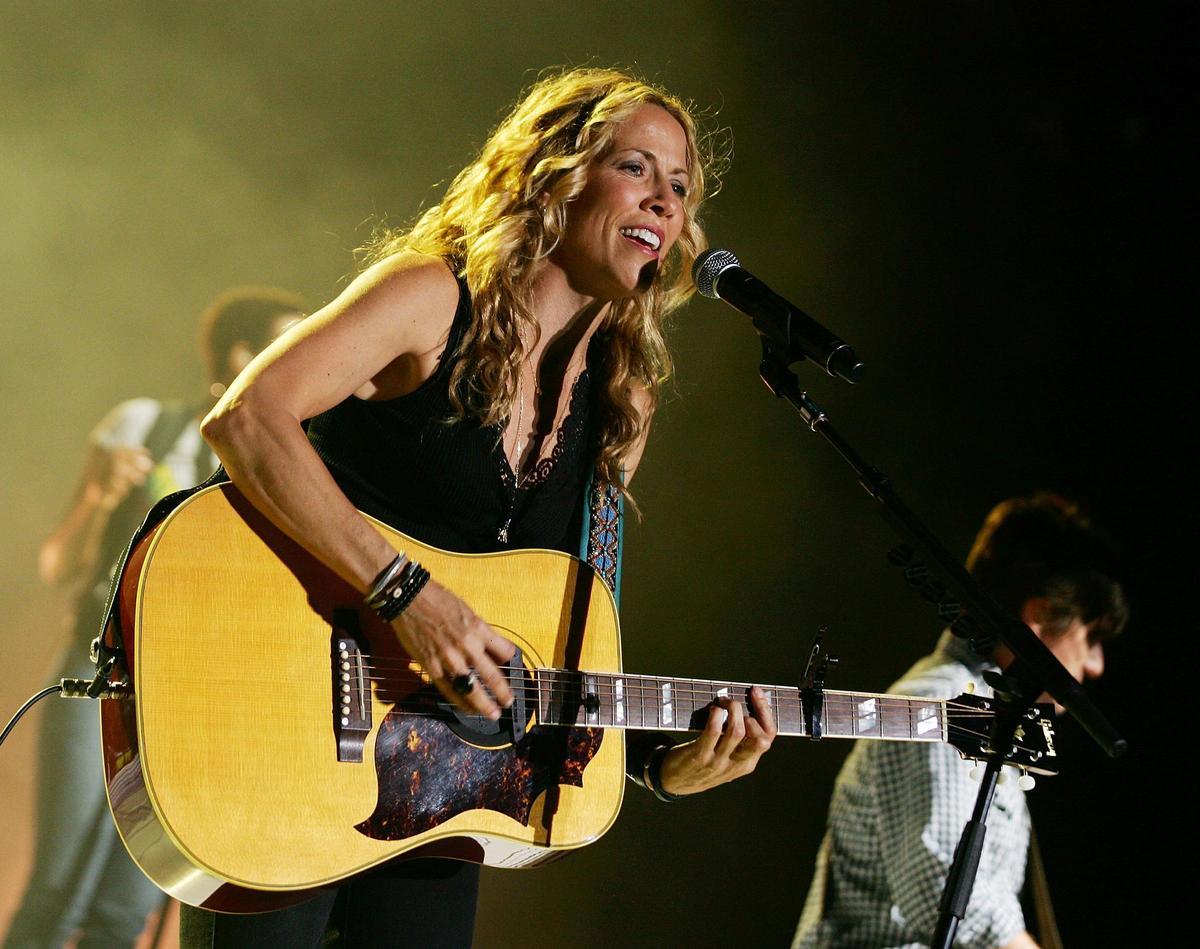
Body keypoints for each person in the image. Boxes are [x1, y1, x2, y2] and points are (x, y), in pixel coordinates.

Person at [190, 67, 777, 947]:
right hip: (287, 725)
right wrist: (406, 597)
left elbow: (569, 640)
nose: (666, 200)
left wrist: (662, 763)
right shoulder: (430, 297)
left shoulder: (624, 401)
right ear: (557, 174)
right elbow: (249, 417)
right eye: (637, 168)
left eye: (682, 185)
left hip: (440, 794)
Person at [4, 287, 307, 949]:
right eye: (288, 343)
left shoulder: (285, 464)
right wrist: (97, 495)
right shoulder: (143, 424)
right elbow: (59, 564)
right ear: (241, 354)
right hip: (103, 671)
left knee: (127, 906)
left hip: (194, 700)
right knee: (57, 888)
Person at [793, 493, 1128, 949]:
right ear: (1041, 614)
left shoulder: (981, 707)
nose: (1096, 665)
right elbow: (945, 896)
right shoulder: (942, 705)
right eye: (1091, 637)